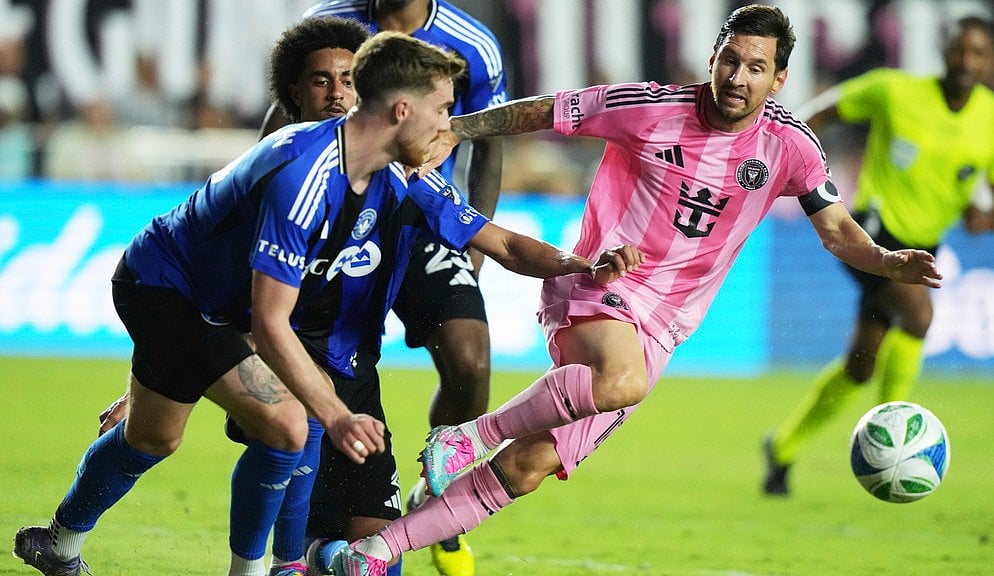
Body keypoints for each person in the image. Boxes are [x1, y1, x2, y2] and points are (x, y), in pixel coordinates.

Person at [319, 5, 944, 575]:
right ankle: (468, 436)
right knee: (621, 379)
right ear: (713, 56)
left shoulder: (790, 149)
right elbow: (552, 110)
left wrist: (886, 261)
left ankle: (377, 551)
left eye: (756, 67)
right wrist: (464, 128)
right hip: (599, 278)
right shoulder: (649, 105)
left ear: (778, 79)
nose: (737, 76)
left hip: (667, 324)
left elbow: (836, 231)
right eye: (730, 58)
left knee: (530, 466)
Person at [14, 29, 637, 576]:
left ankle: (60, 542)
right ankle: (265, 570)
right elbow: (269, 321)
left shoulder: (399, 172)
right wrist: (336, 415)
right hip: (167, 289)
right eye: (444, 111)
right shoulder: (304, 173)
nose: (451, 129)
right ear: (401, 109)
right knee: (290, 425)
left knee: (151, 438)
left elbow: (499, 241)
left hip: (223, 307)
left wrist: (574, 263)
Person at [268, 3, 509, 574]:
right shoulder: (331, 25)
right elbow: (283, 123)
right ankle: (297, 541)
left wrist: (472, 251)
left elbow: (490, 144)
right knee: (313, 359)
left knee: (471, 363)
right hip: (337, 219)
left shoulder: (474, 45)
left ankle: (437, 495)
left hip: (418, 219)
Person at [761, 15, 994, 497]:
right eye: (960, 50)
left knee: (862, 365)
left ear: (991, 63)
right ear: (944, 51)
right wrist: (792, 166)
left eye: (978, 53)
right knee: (919, 316)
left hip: (923, 248)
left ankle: (781, 448)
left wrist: (983, 218)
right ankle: (899, 438)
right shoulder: (894, 91)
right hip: (870, 232)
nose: (967, 61)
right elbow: (820, 114)